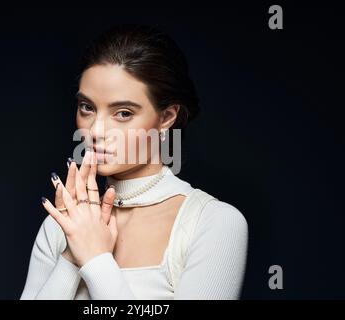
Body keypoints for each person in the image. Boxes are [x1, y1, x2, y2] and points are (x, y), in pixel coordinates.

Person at [20, 24, 248, 300]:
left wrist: (95, 259)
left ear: (166, 117)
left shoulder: (214, 222)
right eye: (87, 107)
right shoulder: (63, 225)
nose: (95, 131)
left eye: (123, 113)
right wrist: (71, 256)